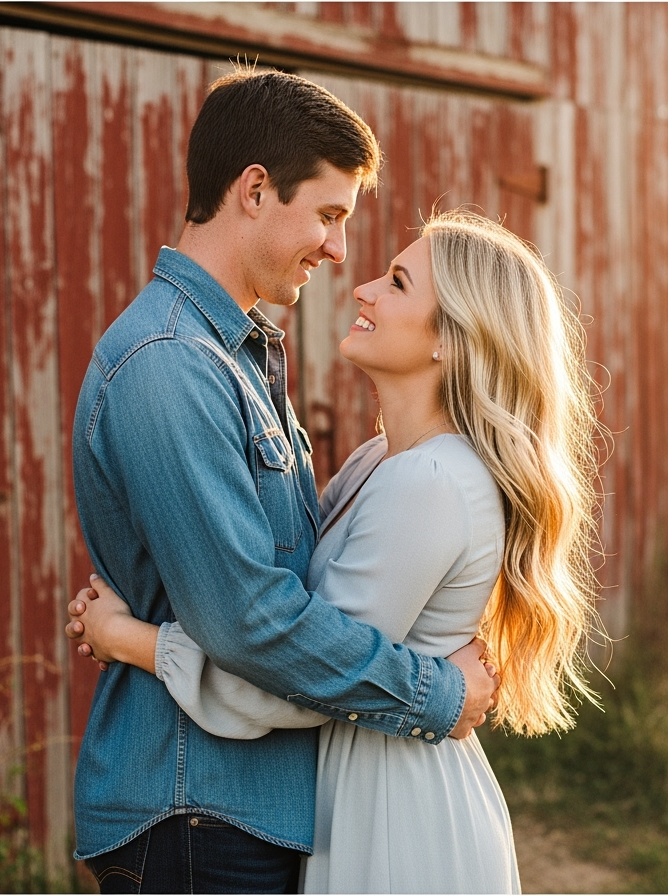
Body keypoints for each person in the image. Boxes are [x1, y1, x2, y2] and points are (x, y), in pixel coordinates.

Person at [69, 208, 602, 893]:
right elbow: (298, 641)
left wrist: (130, 640)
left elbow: (295, 680)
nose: (364, 287)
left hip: (400, 817)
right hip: (357, 788)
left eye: (399, 283)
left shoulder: (431, 482)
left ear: (453, 341)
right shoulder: (382, 460)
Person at [68, 68, 499, 894]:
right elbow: (254, 621)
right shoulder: (171, 366)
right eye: (330, 216)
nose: (340, 250)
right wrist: (434, 694)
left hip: (240, 807)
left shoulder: (235, 356)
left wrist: (128, 636)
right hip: (195, 808)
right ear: (256, 191)